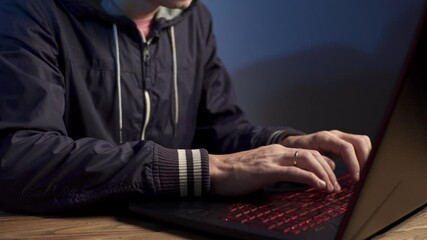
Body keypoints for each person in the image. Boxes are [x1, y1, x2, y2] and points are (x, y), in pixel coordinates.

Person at [0, 0, 371, 213]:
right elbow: (19, 159)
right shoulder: (28, 11)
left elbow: (219, 128)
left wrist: (288, 144)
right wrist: (208, 168)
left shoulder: (194, 19)